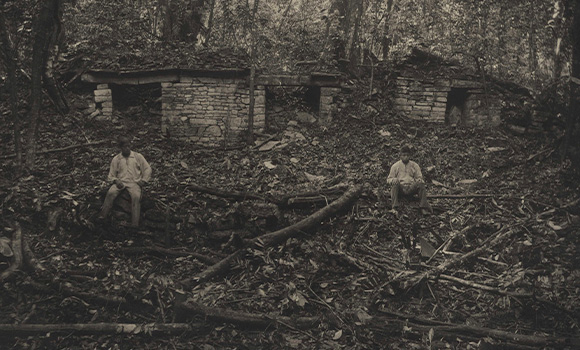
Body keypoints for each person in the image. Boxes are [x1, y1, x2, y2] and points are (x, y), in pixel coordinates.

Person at [97, 136, 152, 228]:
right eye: (124, 147)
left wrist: (144, 180)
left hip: (134, 183)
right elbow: (111, 174)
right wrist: (116, 180)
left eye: (128, 146)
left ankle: (135, 224)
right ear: (120, 148)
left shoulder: (137, 157)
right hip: (121, 182)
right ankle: (102, 216)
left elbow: (147, 169)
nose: (127, 148)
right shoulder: (117, 159)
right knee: (110, 193)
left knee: (136, 197)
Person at [387, 144, 433, 216]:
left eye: (407, 155)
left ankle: (423, 207)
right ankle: (395, 207)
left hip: (411, 188)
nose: (406, 157)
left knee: (421, 184)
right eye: (404, 155)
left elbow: (419, 177)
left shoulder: (414, 165)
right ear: (400, 155)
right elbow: (389, 179)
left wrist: (419, 180)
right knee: (395, 184)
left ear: (410, 156)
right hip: (401, 188)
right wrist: (393, 180)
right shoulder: (395, 166)